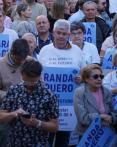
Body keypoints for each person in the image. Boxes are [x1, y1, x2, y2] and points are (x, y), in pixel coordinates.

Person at [38, 19, 85, 147]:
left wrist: (81, 78)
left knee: (63, 140)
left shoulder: (77, 51)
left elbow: (84, 73)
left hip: (68, 106)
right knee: (46, 139)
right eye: (58, 33)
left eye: (64, 34)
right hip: (48, 104)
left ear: (68, 35)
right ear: (53, 32)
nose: (61, 36)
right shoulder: (45, 50)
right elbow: (38, 74)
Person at [0, 60, 59, 146]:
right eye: (25, 81)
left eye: (32, 82)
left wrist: (37, 123)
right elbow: (1, 118)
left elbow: (55, 126)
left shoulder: (49, 95)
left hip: (38, 143)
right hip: (14, 143)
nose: (29, 85)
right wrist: (13, 114)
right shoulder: (14, 90)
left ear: (39, 76)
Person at [0, 39, 35, 146]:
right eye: (18, 59)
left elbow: (42, 87)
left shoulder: (32, 63)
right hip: (8, 114)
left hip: (30, 113)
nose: (21, 62)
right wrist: (15, 97)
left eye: (24, 59)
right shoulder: (0, 64)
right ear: (11, 52)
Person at [74, 64, 117, 138]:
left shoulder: (107, 92)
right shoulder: (79, 92)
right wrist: (100, 117)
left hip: (106, 133)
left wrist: (111, 119)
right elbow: (82, 118)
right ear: (86, 78)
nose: (99, 79)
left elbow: (113, 112)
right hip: (87, 134)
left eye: (101, 76)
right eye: (95, 77)